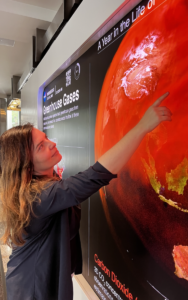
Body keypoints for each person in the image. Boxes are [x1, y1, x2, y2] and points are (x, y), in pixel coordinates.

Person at [1, 92, 172, 300]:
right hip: (32, 289)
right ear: (27, 166)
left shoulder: (45, 182)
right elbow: (94, 177)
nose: (51, 143)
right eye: (41, 147)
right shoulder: (36, 198)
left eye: (45, 137)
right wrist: (143, 127)